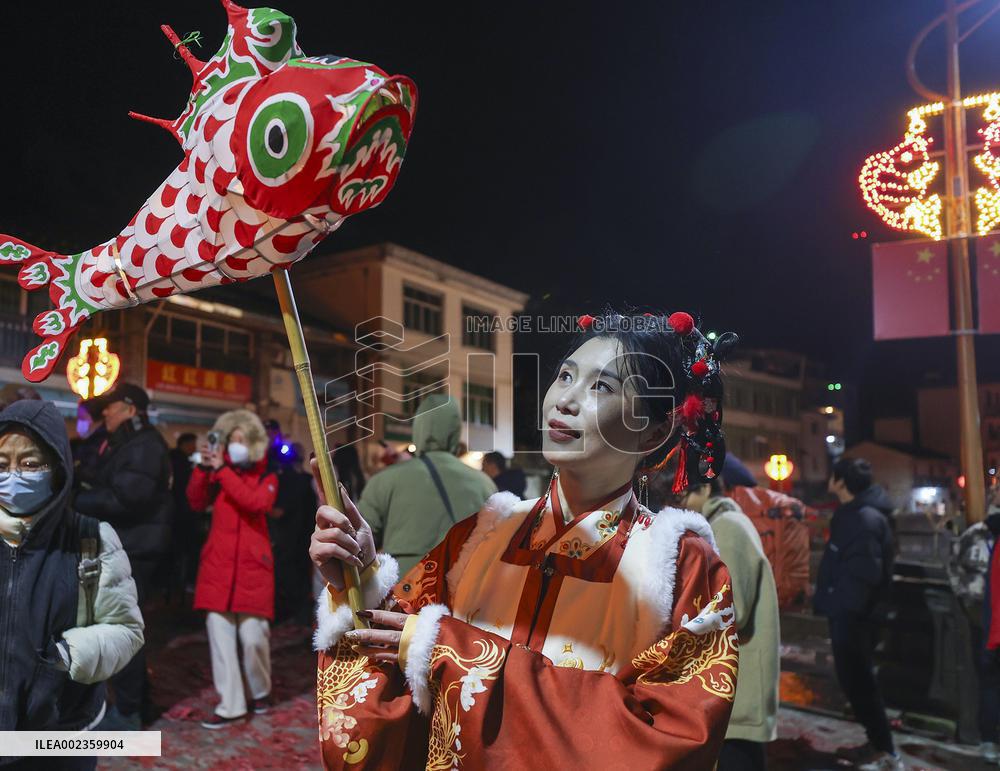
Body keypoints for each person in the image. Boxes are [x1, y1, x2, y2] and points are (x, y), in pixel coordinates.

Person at [310, 310, 739, 769]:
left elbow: (665, 741)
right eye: (566, 376)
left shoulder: (685, 570)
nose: (565, 400)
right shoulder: (480, 535)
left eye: (602, 387)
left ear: (655, 431)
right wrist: (361, 580)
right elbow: (396, 658)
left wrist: (455, 652)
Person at [0, 400, 143, 769]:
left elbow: (126, 629)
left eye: (30, 463)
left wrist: (68, 655)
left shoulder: (91, 538)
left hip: (61, 733)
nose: (13, 475)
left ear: (57, 468)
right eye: (2, 464)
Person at [74, 382, 172, 730]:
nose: (105, 414)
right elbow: (112, 483)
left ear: (131, 409)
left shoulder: (144, 446)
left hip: (134, 548)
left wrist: (74, 500)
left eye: (111, 407)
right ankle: (137, 705)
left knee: (121, 629)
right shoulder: (129, 443)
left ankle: (128, 713)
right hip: (126, 545)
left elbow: (127, 499)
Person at [677, 476, 780, 770]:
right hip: (734, 678)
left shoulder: (728, 528)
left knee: (737, 757)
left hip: (738, 679)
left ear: (706, 488)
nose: (681, 503)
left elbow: (733, 608)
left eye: (685, 495)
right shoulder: (726, 522)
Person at [187, 409, 278, 728]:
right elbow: (195, 502)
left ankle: (260, 690)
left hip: (254, 569)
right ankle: (231, 705)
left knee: (254, 637)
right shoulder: (216, 473)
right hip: (218, 568)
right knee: (220, 638)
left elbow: (255, 503)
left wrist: (222, 470)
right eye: (232, 439)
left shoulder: (267, 477)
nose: (236, 445)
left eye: (243, 440)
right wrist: (201, 468)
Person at [815, 457, 900, 770]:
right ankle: (877, 744)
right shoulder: (857, 514)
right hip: (851, 614)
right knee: (857, 682)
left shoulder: (862, 518)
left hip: (854, 618)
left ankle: (884, 749)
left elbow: (864, 572)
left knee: (860, 682)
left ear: (840, 481)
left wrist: (841, 609)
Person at [357, 394, 497, 576]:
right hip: (464, 593)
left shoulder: (384, 481)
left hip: (404, 594)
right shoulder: (485, 484)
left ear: (418, 428)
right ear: (455, 432)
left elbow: (359, 543)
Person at [270, 442, 318, 624]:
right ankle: (300, 615)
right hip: (304, 538)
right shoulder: (307, 479)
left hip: (287, 538)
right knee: (301, 578)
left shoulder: (286, 480)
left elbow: (278, 511)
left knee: (286, 576)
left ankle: (291, 614)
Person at [169, 433, 200, 593]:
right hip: (183, 513)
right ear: (185, 444)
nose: (194, 448)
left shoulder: (171, 459)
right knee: (185, 548)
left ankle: (172, 584)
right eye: (192, 444)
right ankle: (182, 583)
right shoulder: (182, 464)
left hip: (174, 512)